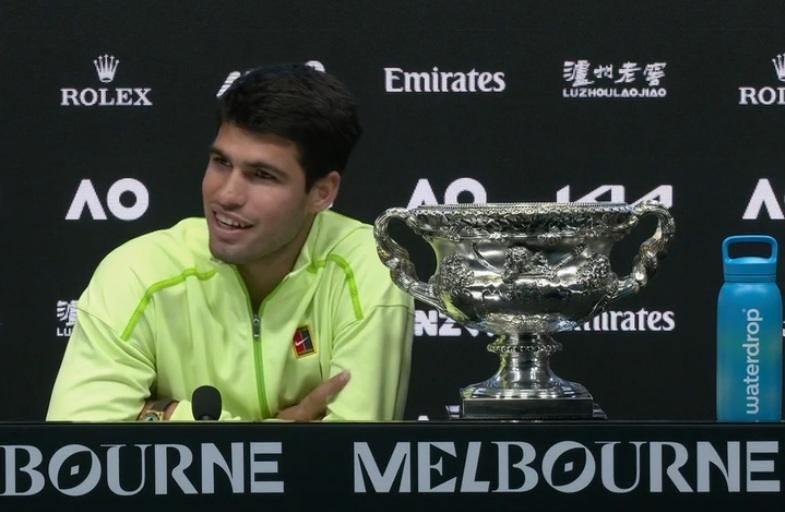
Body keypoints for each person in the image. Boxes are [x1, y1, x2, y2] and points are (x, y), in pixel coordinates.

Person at [47, 63, 414, 422]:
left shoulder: (370, 265)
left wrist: (160, 414)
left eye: (262, 175)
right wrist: (282, 437)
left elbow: (352, 462)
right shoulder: (136, 272)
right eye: (221, 162)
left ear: (322, 192)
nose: (226, 194)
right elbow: (77, 452)